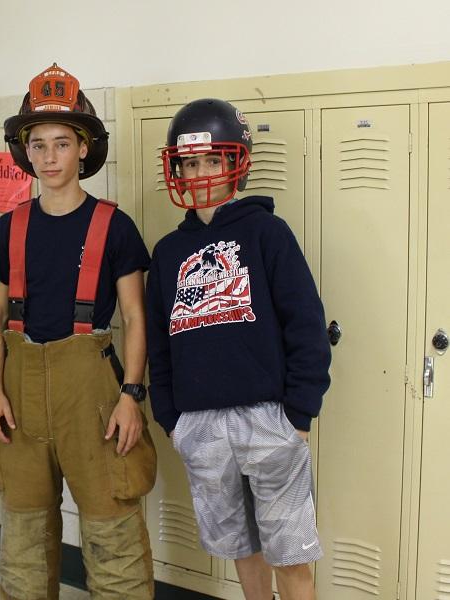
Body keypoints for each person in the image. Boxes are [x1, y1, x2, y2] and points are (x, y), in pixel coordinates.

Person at [0, 63, 156, 600]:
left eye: (62, 143)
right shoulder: (8, 227)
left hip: (95, 398)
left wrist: (131, 396)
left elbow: (134, 317)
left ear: (84, 149)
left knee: (113, 535)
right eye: (39, 145)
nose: (50, 156)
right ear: (25, 151)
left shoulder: (115, 225)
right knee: (25, 541)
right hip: (20, 393)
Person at [146, 98, 331, 600]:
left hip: (268, 418)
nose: (201, 172)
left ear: (235, 164)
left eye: (212, 160)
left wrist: (298, 413)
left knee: (289, 553)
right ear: (177, 168)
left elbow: (306, 326)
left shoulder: (267, 233)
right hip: (200, 425)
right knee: (242, 550)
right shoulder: (166, 253)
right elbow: (160, 347)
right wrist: (172, 418)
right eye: (190, 162)